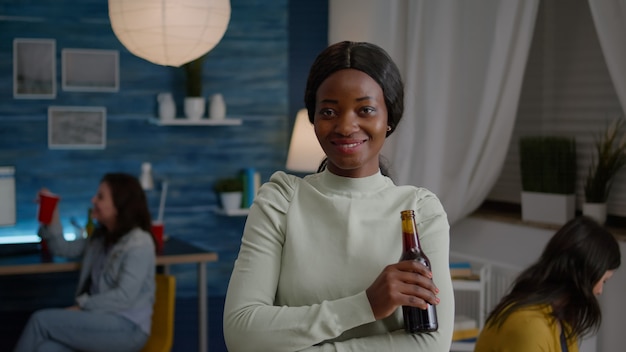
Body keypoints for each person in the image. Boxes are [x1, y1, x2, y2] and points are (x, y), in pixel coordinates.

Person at [223, 41, 454, 351]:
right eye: (329, 111)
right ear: (314, 118)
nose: (346, 126)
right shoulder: (280, 201)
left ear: (390, 119)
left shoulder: (420, 211)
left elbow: (431, 344)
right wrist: (366, 305)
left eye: (365, 110)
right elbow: (241, 333)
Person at [14, 173, 157, 352]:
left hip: (128, 327)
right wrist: (52, 212)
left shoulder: (139, 243)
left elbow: (124, 297)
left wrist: (82, 306)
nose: (93, 200)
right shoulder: (100, 237)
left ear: (120, 205)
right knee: (47, 349)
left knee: (40, 321)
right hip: (97, 320)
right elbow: (61, 248)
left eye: (100, 196)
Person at [474, 216, 621, 352]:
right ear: (583, 275)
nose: (600, 291)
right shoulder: (530, 326)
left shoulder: (562, 318)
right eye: (604, 281)